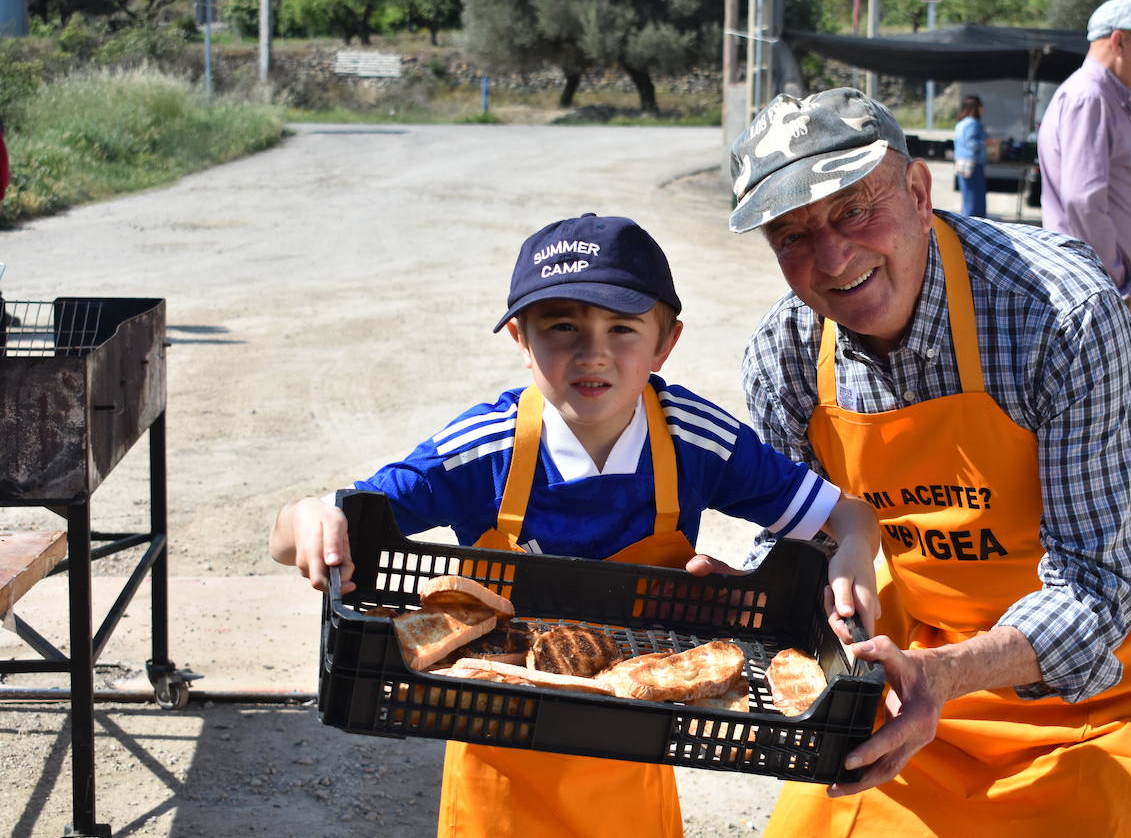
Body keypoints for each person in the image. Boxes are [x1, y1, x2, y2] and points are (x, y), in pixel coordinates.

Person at [268, 213, 881, 838]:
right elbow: (301, 532)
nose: (593, 353)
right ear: (520, 337)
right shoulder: (484, 449)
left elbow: (846, 514)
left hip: (634, 755)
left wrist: (855, 545)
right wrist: (308, 516)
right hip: (494, 761)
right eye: (562, 327)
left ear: (665, 341)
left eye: (622, 328)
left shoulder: (697, 440)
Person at [728, 87, 1131, 835]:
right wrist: (751, 591)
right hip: (915, 677)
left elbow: (1099, 587)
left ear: (920, 192)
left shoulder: (1056, 314)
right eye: (792, 237)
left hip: (1123, 683)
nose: (831, 259)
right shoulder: (785, 355)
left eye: (854, 211)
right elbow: (806, 540)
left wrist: (946, 676)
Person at [1036, 0, 1131, 318]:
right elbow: (1083, 201)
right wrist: (1114, 281)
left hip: (1093, 282)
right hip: (1091, 286)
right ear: (1118, 40)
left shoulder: (1099, 97)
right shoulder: (1090, 98)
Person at [952, 95, 987, 217]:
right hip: (973, 165)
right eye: (981, 107)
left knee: (967, 197)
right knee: (975, 200)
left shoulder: (960, 123)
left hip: (960, 163)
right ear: (976, 108)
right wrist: (986, 142)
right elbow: (972, 143)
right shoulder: (974, 124)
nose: (983, 109)